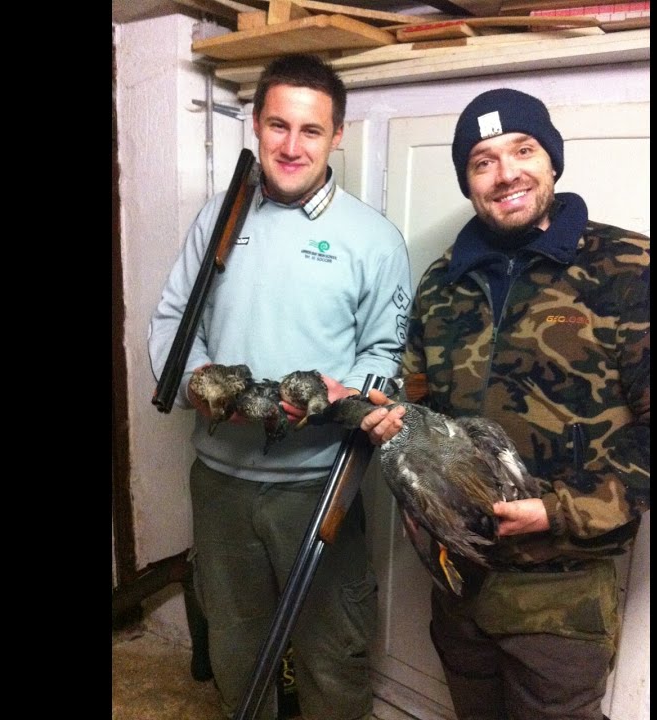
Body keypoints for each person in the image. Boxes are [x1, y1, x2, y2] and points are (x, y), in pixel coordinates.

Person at [358, 88, 650, 720]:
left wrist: (556, 510)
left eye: (523, 149)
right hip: (458, 578)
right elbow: (418, 408)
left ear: (552, 161)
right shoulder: (443, 283)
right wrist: (399, 455)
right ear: (467, 180)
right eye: (482, 160)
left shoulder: (629, 268)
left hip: (561, 592)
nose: (506, 172)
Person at [148, 54, 413, 720]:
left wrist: (339, 393)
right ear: (257, 125)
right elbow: (176, 320)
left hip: (317, 483)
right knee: (239, 646)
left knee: (332, 654)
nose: (291, 147)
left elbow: (386, 356)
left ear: (337, 135)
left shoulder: (372, 240)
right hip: (221, 483)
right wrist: (199, 383)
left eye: (311, 130)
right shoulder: (219, 218)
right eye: (277, 125)